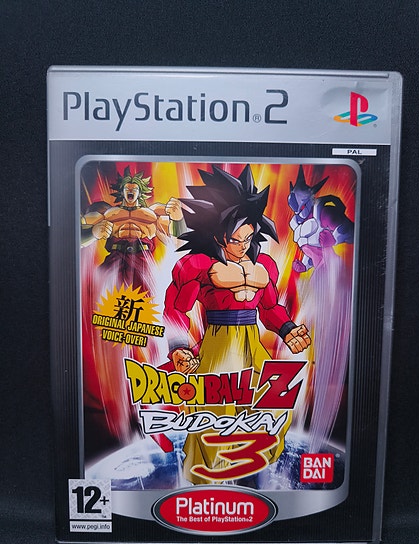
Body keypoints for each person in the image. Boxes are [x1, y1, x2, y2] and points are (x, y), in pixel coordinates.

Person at [163, 164, 311, 483]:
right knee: (214, 416)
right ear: (217, 234)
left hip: (252, 344)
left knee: (276, 402)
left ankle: (249, 467)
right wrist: (178, 348)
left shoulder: (264, 265)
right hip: (219, 344)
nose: (243, 245)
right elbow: (176, 308)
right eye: (235, 239)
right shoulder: (198, 265)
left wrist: (288, 330)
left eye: (249, 237)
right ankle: (205, 482)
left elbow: (270, 307)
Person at [81, 166, 185, 289]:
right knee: (100, 291)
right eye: (127, 188)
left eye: (134, 189)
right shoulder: (107, 214)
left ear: (140, 193)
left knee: (147, 296)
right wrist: (93, 233)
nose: (130, 190)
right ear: (122, 192)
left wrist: (179, 220)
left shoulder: (153, 214)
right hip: (115, 260)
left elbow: (179, 242)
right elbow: (77, 238)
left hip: (143, 262)